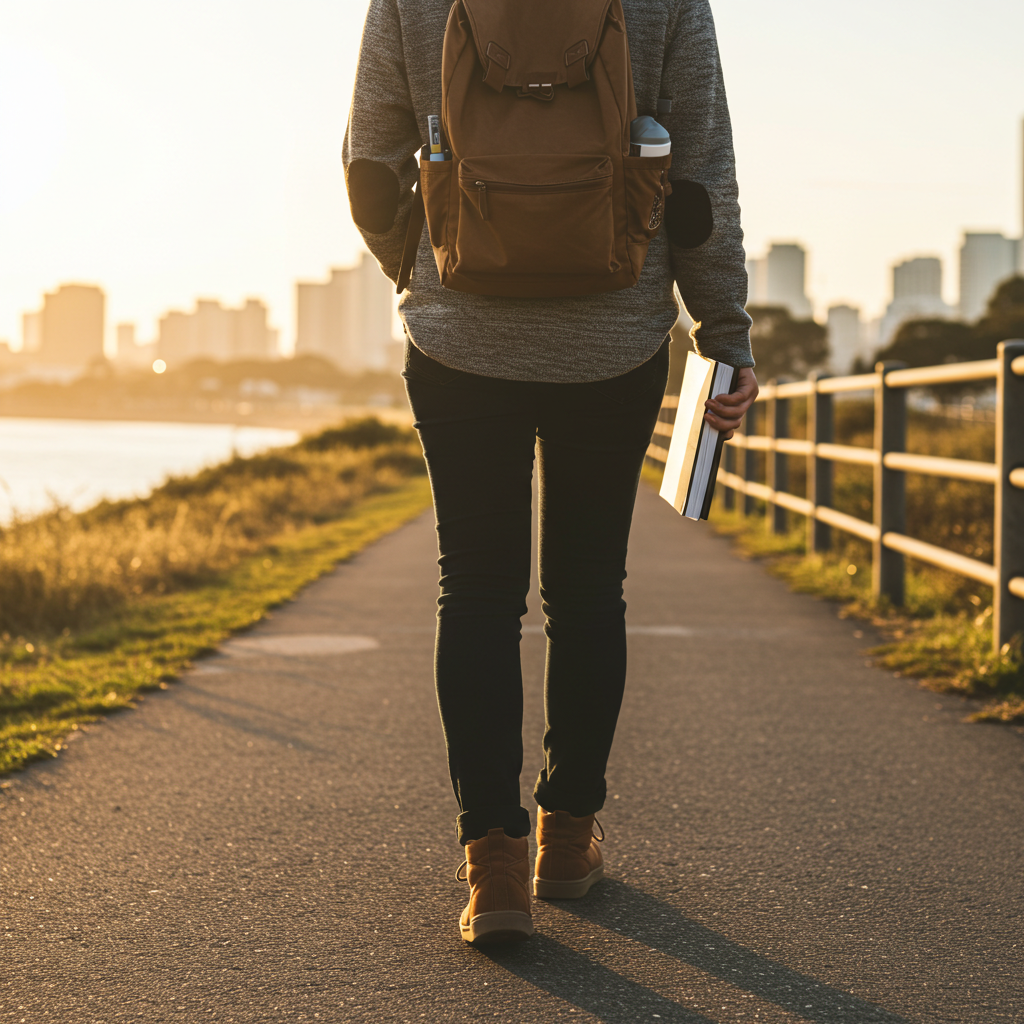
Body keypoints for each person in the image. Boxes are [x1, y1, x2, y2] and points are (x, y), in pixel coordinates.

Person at [344, 0, 758, 944]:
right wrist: (723, 337)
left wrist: (425, 269)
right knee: (587, 592)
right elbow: (700, 178)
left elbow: (370, 164)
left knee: (478, 595)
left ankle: (492, 864)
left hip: (457, 341)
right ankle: (567, 837)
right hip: (614, 340)